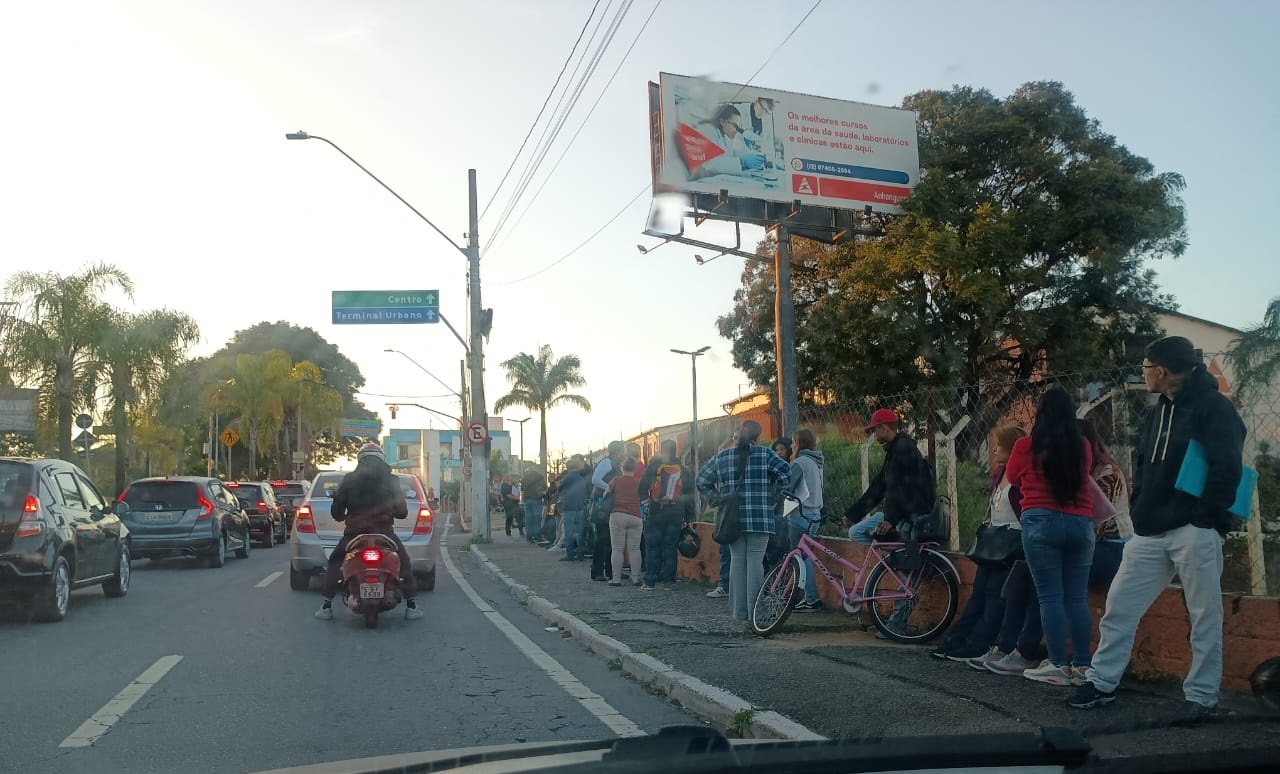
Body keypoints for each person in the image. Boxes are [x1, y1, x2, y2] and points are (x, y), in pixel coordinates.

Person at [1070, 336, 1246, 717]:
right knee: (1120, 605)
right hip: (1151, 530)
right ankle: (1101, 682)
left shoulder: (1215, 408)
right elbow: (1146, 464)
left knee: (1203, 614)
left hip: (1194, 530)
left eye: (1146, 367)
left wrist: (1204, 518)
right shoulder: (1157, 411)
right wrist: (1140, 508)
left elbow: (1228, 467)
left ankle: (1200, 698)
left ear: (1161, 370)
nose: (1144, 374)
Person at [1006, 388, 1096, 687]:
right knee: (1076, 598)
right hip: (1080, 523)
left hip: (1040, 521)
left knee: (1050, 597)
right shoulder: (1082, 445)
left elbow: (1013, 477)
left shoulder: (1025, 446)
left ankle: (1058, 664)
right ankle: (1083, 666)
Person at [933, 425, 1026, 662]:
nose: (994, 450)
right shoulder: (1000, 474)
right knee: (978, 594)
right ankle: (958, 639)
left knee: (995, 596)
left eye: (1000, 445)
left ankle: (980, 644)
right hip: (993, 543)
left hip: (1010, 544)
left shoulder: (1020, 478)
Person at [696, 420, 791, 622]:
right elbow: (786, 473)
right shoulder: (765, 454)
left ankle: (738, 614)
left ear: (736, 436)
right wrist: (773, 497)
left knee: (737, 562)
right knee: (755, 561)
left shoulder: (722, 457)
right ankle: (755, 613)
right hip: (760, 517)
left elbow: (702, 479)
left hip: (732, 519)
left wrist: (717, 499)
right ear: (757, 437)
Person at [315, 443, 421, 621]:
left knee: (335, 561)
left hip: (354, 534)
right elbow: (402, 513)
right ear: (381, 458)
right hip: (384, 533)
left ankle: (326, 605)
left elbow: (337, 513)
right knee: (404, 561)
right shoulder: (392, 480)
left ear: (360, 458)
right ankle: (411, 606)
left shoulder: (350, 479)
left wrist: (343, 509)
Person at [844, 409, 936, 544]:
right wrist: (852, 515)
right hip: (906, 513)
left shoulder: (901, 449)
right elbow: (878, 487)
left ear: (884, 427)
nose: (874, 435)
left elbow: (896, 488)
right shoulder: (897, 449)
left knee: (855, 533)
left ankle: (887, 560)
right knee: (857, 532)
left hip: (909, 516)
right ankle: (888, 560)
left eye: (875, 430)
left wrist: (891, 520)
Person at [1079, 418, 1132, 590]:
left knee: (1068, 572)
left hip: (1114, 545)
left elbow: (1100, 524)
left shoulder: (1107, 472)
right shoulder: (1082, 471)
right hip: (1095, 545)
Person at [638, 440, 695, 590]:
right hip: (676, 514)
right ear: (675, 451)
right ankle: (669, 582)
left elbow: (641, 487)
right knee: (670, 547)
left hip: (656, 512)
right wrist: (689, 517)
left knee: (652, 547)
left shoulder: (653, 467)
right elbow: (689, 494)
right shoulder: (682, 469)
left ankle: (650, 582)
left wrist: (646, 505)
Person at [787, 429, 825, 612]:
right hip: (815, 514)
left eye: (793, 442)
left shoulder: (800, 462)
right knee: (807, 556)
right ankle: (811, 598)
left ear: (800, 443)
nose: (791, 446)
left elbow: (787, 486)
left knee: (801, 558)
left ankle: (811, 599)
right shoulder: (816, 462)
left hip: (800, 514)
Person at [688, 104, 768, 180]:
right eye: (735, 126)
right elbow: (711, 164)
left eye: (738, 127)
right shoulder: (708, 131)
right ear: (722, 121)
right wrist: (742, 162)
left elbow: (736, 155)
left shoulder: (726, 138)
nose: (737, 131)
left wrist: (758, 158)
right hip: (701, 181)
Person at [590, 442, 626, 581]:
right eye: (623, 451)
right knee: (602, 539)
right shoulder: (607, 462)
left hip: (610, 506)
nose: (625, 454)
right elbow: (595, 479)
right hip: (603, 508)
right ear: (618, 452)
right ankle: (597, 571)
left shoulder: (615, 464)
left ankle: (613, 571)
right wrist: (610, 487)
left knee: (612, 540)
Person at [607, 458, 644, 587]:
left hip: (618, 514)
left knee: (617, 549)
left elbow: (606, 493)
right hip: (636, 516)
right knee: (634, 549)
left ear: (623, 468)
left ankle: (616, 579)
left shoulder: (616, 480)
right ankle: (636, 578)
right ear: (634, 469)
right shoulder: (639, 482)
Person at [556, 456, 590, 562]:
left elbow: (560, 490)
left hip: (569, 507)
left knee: (569, 531)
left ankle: (570, 554)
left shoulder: (567, 477)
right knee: (579, 531)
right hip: (579, 507)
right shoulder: (580, 478)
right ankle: (580, 554)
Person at [521, 465, 547, 546]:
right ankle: (537, 537)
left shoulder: (525, 477)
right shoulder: (540, 477)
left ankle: (529, 538)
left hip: (527, 500)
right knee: (536, 519)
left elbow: (522, 489)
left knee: (528, 520)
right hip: (536, 499)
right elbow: (544, 488)